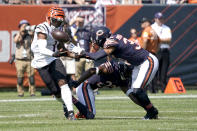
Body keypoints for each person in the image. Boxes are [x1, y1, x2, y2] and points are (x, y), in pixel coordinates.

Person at [76, 26, 159, 120]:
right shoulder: (114, 38)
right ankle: (151, 111)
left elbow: (96, 56)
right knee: (134, 92)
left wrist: (82, 53)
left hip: (147, 61)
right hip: (137, 65)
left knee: (137, 90)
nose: (95, 43)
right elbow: (109, 57)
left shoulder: (111, 42)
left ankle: (152, 112)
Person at [31, 7, 76, 120]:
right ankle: (65, 104)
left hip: (53, 59)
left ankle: (71, 112)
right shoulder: (42, 27)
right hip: (41, 60)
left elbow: (60, 46)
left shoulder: (61, 28)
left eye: (60, 21)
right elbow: (41, 48)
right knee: (55, 91)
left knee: (63, 82)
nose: (58, 23)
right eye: (56, 20)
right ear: (49, 19)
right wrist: (54, 54)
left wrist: (74, 53)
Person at [14, 19, 36, 97]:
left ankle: (32, 92)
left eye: (26, 25)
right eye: (23, 25)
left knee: (31, 78)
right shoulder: (17, 34)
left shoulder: (29, 35)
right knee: (20, 78)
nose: (25, 27)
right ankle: (20, 92)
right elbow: (16, 40)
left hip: (29, 59)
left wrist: (32, 33)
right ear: (20, 27)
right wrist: (20, 32)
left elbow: (34, 42)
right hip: (19, 60)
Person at [151, 12, 172, 92]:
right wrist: (162, 40)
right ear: (155, 19)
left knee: (164, 70)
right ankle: (154, 88)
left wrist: (158, 39)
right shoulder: (152, 27)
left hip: (165, 51)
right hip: (156, 51)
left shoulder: (167, 28)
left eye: (161, 18)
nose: (160, 20)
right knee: (155, 70)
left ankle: (163, 89)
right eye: (159, 19)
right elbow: (152, 40)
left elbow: (169, 40)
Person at [70, 16, 94, 80]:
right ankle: (78, 89)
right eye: (78, 22)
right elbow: (69, 30)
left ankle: (91, 89)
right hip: (77, 55)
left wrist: (91, 53)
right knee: (77, 75)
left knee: (90, 73)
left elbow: (93, 43)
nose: (80, 23)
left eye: (81, 22)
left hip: (87, 55)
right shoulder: (73, 31)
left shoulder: (88, 32)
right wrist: (75, 22)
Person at [140, 17, 160, 93]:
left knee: (145, 71)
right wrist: (155, 51)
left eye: (143, 22)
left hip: (147, 53)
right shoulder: (154, 30)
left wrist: (142, 52)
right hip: (153, 53)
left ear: (147, 23)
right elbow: (159, 42)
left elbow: (145, 41)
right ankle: (154, 89)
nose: (141, 24)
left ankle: (144, 89)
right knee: (153, 72)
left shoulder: (146, 30)